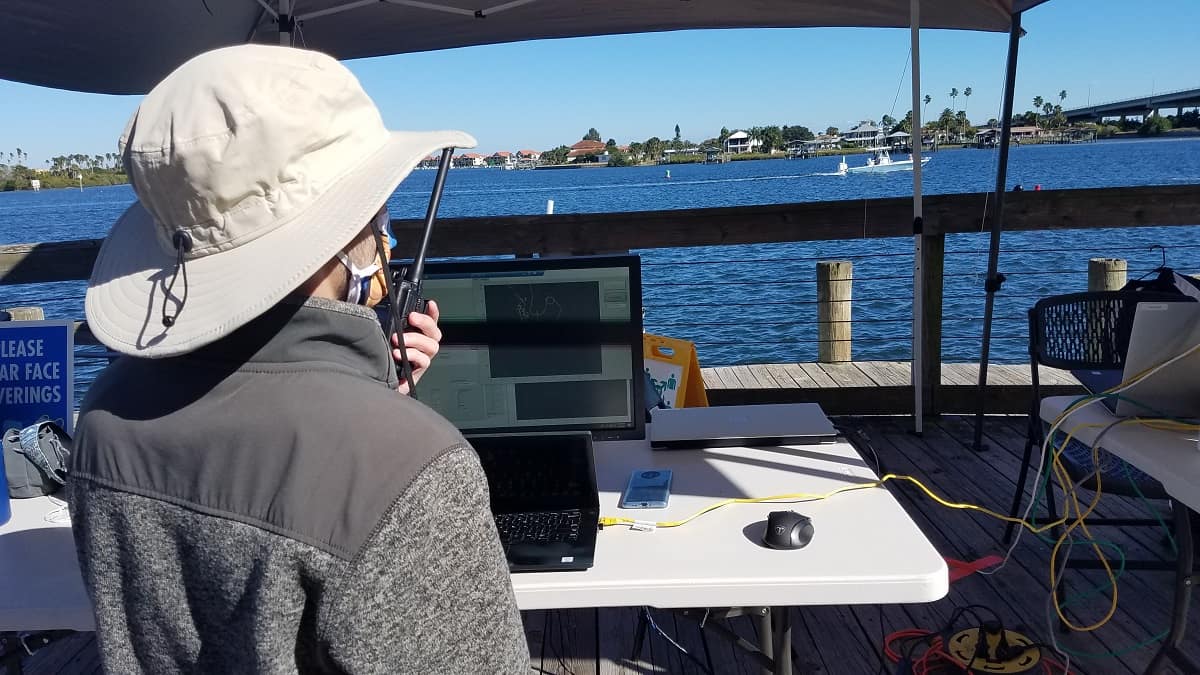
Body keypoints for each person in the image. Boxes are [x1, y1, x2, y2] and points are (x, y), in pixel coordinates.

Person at [68, 44, 529, 674]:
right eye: (378, 208)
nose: (386, 233)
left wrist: (369, 392)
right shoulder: (413, 470)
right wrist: (390, 430)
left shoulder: (102, 415)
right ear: (342, 233)